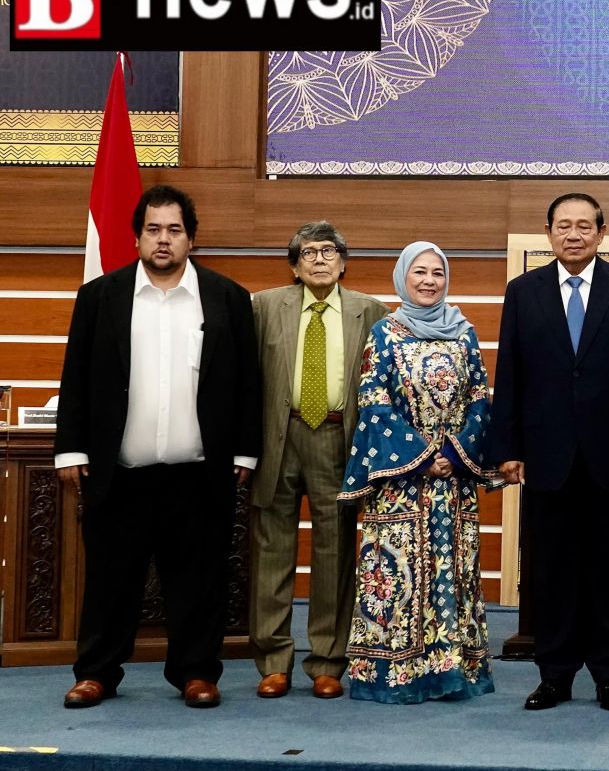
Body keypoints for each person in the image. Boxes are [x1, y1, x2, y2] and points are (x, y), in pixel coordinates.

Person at [56, 185, 261, 710]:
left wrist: (244, 452)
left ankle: (196, 673)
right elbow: (76, 378)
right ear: (137, 236)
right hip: (119, 472)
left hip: (199, 472)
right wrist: (70, 450)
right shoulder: (101, 296)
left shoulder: (228, 299)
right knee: (110, 581)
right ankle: (97, 672)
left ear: (191, 237)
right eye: (153, 229)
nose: (163, 239)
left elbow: (246, 383)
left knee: (198, 581)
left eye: (174, 229)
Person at [489, 193, 609, 712]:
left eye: (584, 226)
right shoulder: (523, 292)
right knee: (551, 571)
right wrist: (509, 448)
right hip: (546, 457)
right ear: (548, 234)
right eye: (563, 226)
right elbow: (511, 375)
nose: (573, 234)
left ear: (601, 233)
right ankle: (555, 674)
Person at [337, 241, 496, 704]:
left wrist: (454, 450)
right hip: (401, 482)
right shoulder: (386, 332)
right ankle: (395, 673)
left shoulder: (463, 332)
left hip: (453, 479)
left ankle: (452, 669)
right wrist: (425, 454)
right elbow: (374, 402)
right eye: (419, 273)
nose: (429, 281)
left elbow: (480, 401)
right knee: (398, 576)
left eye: (438, 273)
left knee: (453, 572)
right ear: (402, 277)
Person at [249, 222, 388, 700]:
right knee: (272, 549)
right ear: (294, 265)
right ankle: (273, 660)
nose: (320, 259)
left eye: (329, 251)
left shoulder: (370, 311)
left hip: (337, 439)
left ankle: (327, 660)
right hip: (278, 437)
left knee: (334, 552)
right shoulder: (265, 306)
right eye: (308, 253)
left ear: (344, 262)